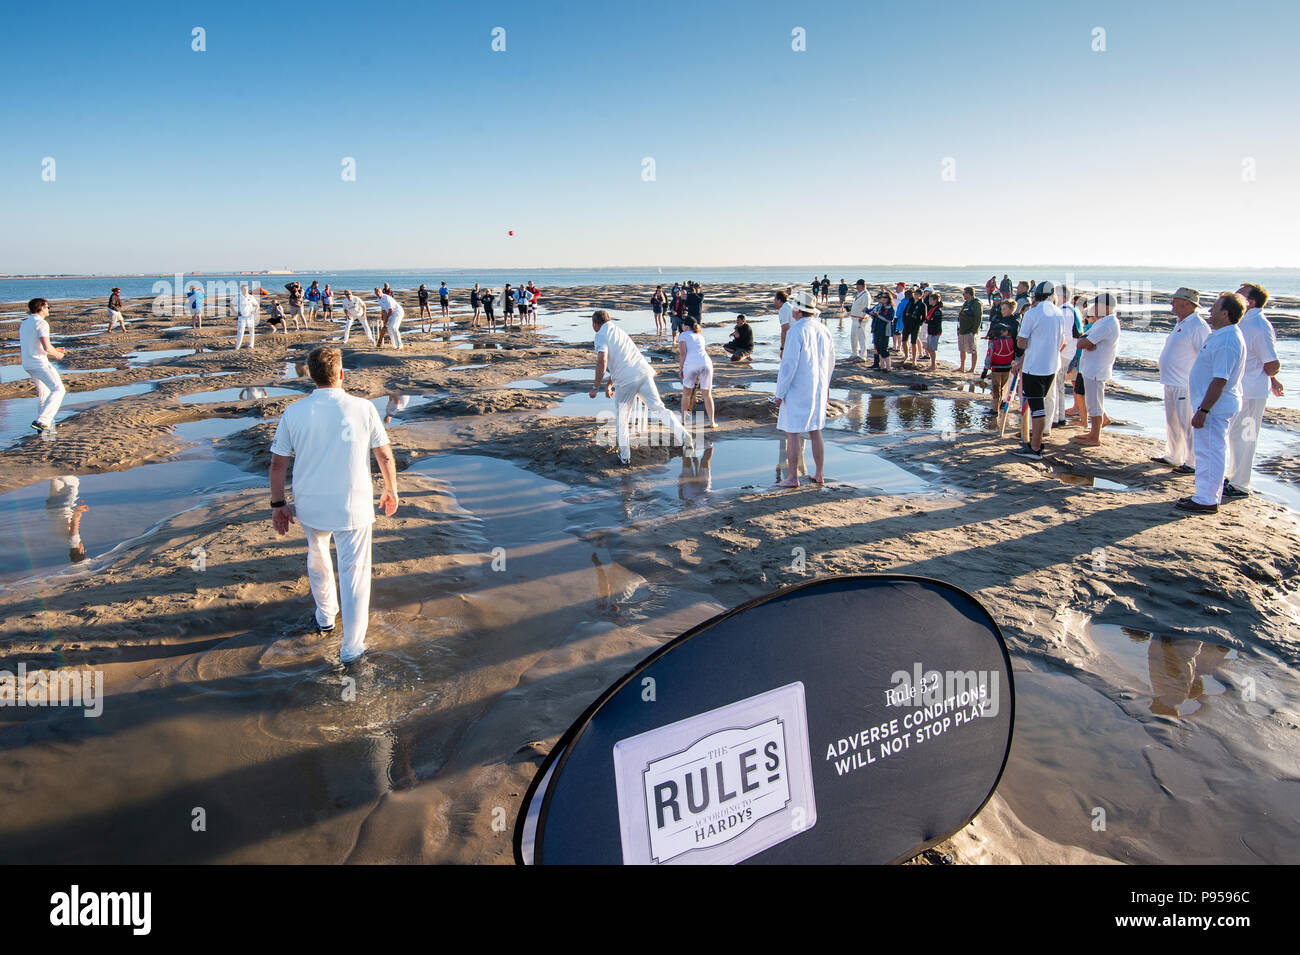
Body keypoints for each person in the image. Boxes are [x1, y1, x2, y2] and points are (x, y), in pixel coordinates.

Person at [269, 346, 399, 663]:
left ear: (312, 376)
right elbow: (383, 454)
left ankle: (325, 615)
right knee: (354, 573)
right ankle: (352, 648)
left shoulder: (295, 412)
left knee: (318, 555)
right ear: (341, 373)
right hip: (352, 505)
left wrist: (278, 503)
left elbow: (277, 464)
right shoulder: (364, 408)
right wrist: (391, 489)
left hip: (311, 503)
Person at [589, 310, 694, 465]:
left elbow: (602, 360)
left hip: (626, 381)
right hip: (643, 373)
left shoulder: (600, 335)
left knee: (622, 419)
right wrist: (609, 383)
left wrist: (595, 386)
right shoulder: (619, 331)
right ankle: (684, 435)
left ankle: (625, 457)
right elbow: (623, 359)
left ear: (595, 323)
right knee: (659, 408)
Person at [1176, 293, 1247, 513]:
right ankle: (1205, 494)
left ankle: (1207, 499)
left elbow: (1220, 379)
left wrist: (1203, 410)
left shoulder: (1228, 340)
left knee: (1211, 451)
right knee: (1207, 450)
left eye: (1215, 308)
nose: (1210, 311)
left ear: (1226, 313)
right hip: (1211, 406)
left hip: (1215, 408)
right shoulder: (1221, 334)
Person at [1224, 283, 1283, 498]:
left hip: (1252, 392)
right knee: (1234, 435)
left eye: (1239, 294)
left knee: (1246, 437)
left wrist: (1272, 376)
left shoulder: (1259, 325)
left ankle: (1240, 484)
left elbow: (1271, 361)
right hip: (1241, 390)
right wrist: (1274, 379)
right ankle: (1233, 476)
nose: (1234, 296)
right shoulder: (1245, 322)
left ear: (1251, 302)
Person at [775, 291, 834, 487]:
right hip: (817, 387)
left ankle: (793, 477)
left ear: (799, 310)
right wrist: (826, 386)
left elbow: (788, 365)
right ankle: (819, 474)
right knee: (815, 430)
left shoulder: (796, 331)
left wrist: (779, 393)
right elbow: (831, 362)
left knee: (792, 432)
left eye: (794, 307)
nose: (792, 309)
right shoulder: (823, 329)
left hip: (798, 387)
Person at [1153, 288, 1210, 473]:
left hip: (1185, 383)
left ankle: (1192, 461)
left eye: (1175, 301)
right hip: (1171, 382)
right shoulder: (1182, 323)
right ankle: (1173, 455)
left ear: (1187, 303)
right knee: (1172, 421)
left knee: (1187, 423)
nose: (1171, 304)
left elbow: (1206, 356)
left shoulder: (1198, 326)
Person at [1013, 282, 1067, 459]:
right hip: (1051, 365)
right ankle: (1035, 442)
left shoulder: (1032, 313)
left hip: (1034, 366)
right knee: (1041, 404)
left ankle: (1035, 447)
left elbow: (1021, 341)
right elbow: (1061, 340)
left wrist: (1020, 358)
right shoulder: (1059, 312)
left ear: (1035, 295)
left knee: (1037, 408)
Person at [1071, 292, 1121, 447]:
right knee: (1092, 401)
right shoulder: (1102, 321)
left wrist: (1087, 343)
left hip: (1097, 368)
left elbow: (1081, 343)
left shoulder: (1108, 323)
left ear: (1106, 307)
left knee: (1095, 403)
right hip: (1091, 368)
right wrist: (1087, 342)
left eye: (1097, 305)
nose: (1093, 307)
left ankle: (1095, 436)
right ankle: (1093, 432)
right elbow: (1083, 339)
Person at [20, 298, 66, 434]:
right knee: (59, 389)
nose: (49, 309)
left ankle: (44, 426)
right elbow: (46, 347)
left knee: (44, 393)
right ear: (41, 308)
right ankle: (43, 421)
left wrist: (55, 349)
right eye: (48, 307)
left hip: (27, 363)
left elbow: (35, 344)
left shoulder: (25, 323)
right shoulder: (42, 323)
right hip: (39, 363)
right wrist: (57, 355)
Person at [678, 317, 716, 428]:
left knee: (686, 394)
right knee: (707, 395)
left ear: (686, 326)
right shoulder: (700, 336)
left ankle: (684, 421)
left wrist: (680, 369)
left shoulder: (683, 335)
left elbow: (683, 354)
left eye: (682, 325)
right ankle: (712, 422)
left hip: (691, 364)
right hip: (706, 363)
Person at [984, 303, 1018, 410]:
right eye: (1002, 309)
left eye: (1005, 309)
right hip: (1005, 357)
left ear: (1011, 309)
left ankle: (1002, 403)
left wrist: (986, 368)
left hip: (1008, 356)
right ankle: (1002, 402)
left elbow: (1016, 339)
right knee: (1001, 384)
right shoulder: (1001, 320)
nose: (1002, 311)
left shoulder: (1014, 323)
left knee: (1005, 383)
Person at [46, 475, 87, 563]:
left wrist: (79, 511)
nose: (84, 549)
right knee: (55, 480)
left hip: (62, 508)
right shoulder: (62, 541)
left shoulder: (74, 543)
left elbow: (74, 524)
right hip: (50, 509)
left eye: (84, 551)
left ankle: (63, 470)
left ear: (80, 551)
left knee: (73, 484)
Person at [956, 286, 983, 373]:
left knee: (973, 350)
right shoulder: (966, 303)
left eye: (964, 293)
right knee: (962, 349)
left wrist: (974, 331)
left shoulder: (976, 303)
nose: (963, 295)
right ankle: (962, 366)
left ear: (968, 293)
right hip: (962, 330)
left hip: (970, 331)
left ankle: (972, 368)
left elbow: (978, 318)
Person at [847, 279, 872, 362]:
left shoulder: (866, 295)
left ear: (861, 286)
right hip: (854, 318)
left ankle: (863, 356)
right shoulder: (860, 294)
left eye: (857, 285)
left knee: (861, 337)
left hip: (860, 319)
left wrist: (862, 317)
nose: (856, 287)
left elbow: (866, 307)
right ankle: (854, 353)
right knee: (853, 337)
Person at [871, 289, 894, 372]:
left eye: (885, 297)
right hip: (877, 329)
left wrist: (878, 315)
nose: (883, 299)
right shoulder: (880, 307)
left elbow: (889, 319)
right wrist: (874, 315)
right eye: (882, 297)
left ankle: (888, 367)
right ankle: (882, 366)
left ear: (888, 299)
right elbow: (876, 316)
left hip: (885, 331)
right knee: (878, 348)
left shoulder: (890, 308)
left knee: (884, 349)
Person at [922, 292, 944, 372]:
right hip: (930, 331)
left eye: (931, 299)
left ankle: (933, 365)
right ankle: (932, 364)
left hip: (935, 332)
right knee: (929, 348)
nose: (929, 301)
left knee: (932, 349)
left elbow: (937, 322)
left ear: (935, 300)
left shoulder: (937, 310)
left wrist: (934, 331)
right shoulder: (932, 308)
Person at [235, 283, 259, 350]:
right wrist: (236, 312)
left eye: (247, 289)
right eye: (244, 289)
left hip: (250, 317)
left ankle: (251, 345)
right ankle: (237, 346)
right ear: (241, 289)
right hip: (242, 317)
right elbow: (232, 304)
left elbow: (257, 305)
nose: (246, 290)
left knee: (251, 331)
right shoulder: (238, 297)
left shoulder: (251, 297)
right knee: (240, 331)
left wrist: (254, 311)